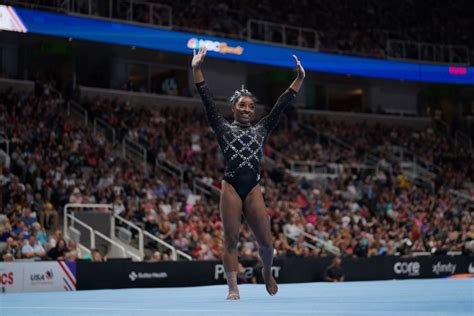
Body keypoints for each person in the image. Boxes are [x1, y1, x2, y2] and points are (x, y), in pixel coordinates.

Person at [192, 46, 305, 300]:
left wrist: (299, 79)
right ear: (234, 108)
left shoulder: (262, 129)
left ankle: (266, 270)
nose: (247, 109)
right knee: (230, 240)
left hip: (253, 187)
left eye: (251, 107)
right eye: (242, 105)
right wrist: (197, 69)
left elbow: (281, 105)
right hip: (231, 186)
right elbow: (206, 98)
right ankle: (233, 287)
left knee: (266, 243)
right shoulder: (222, 128)